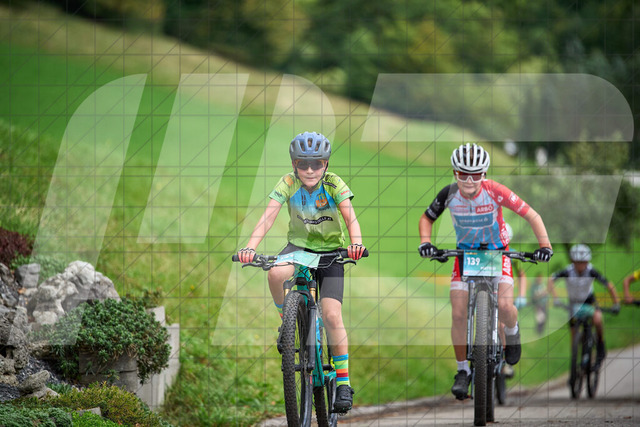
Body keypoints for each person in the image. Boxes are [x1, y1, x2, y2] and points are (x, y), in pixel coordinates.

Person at [236, 131, 365, 412]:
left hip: (331, 252)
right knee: (275, 274)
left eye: (316, 164)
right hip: (298, 248)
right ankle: (287, 322)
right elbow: (268, 216)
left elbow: (350, 217)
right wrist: (250, 247)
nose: (309, 170)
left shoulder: (334, 184)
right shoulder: (288, 182)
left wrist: (356, 244)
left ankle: (343, 382)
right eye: (302, 164)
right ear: (294, 164)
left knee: (332, 314)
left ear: (325, 164)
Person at [418, 143, 553, 400]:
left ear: (485, 173)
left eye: (476, 174)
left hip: (497, 253)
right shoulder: (449, 194)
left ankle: (511, 332)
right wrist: (426, 243)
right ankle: (462, 371)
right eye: (463, 174)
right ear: (455, 172)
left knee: (505, 306)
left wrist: (545, 246)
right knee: (458, 313)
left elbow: (532, 215)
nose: (469, 180)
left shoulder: (495, 191)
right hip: (465, 255)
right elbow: (427, 218)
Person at [548, 244, 620, 366]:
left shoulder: (591, 271)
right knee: (574, 333)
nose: (581, 265)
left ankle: (600, 344)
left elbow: (609, 285)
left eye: (584, 262)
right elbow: (550, 280)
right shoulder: (568, 271)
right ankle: (575, 360)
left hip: (589, 300)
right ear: (573, 261)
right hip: (573, 302)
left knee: (597, 319)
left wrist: (616, 303)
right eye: (578, 262)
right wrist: (556, 298)